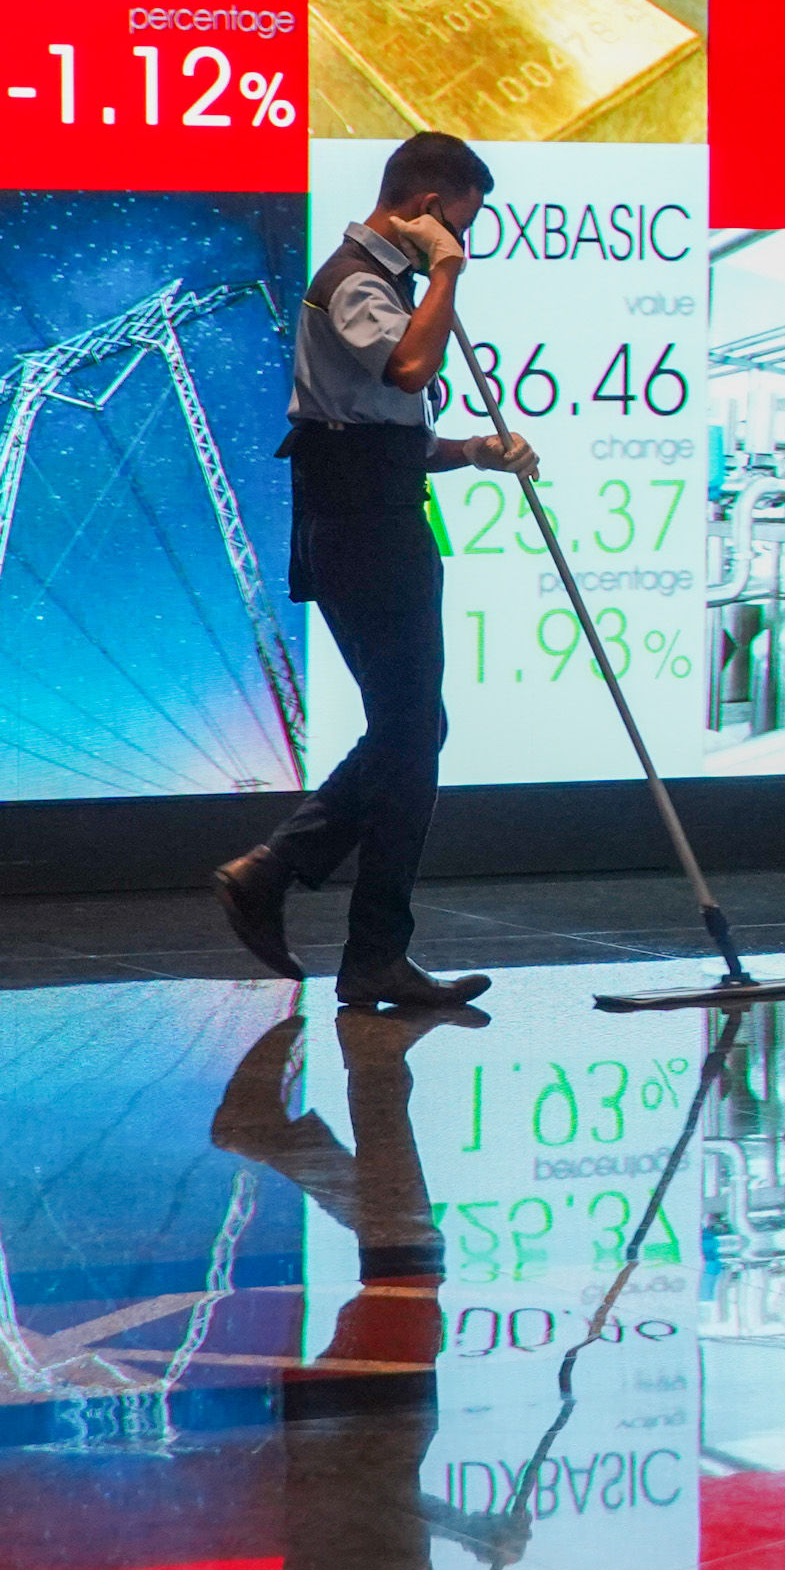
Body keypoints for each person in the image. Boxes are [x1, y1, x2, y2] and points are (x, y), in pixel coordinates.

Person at [213, 134, 538, 1010]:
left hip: (375, 516)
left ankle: (305, 895)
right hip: (362, 532)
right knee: (409, 733)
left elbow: (379, 429)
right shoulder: (356, 277)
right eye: (461, 223)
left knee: (411, 731)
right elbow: (408, 368)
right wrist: (448, 275)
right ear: (428, 206)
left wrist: (473, 451)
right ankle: (321, 911)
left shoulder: (379, 282)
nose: (466, 242)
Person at [213, 1004, 522, 1570]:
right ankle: (277, 1127)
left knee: (409, 1249)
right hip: (360, 1437)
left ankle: (375, 1066)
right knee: (404, 1248)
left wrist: (468, 1531)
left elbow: (363, 1520)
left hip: (354, 1434)